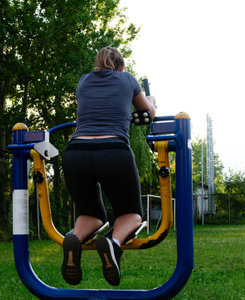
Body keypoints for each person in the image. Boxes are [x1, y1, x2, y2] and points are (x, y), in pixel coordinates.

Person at [61, 46, 157, 286]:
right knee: (131, 213)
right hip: (113, 150)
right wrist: (152, 102)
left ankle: (74, 238)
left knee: (90, 214)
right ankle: (113, 244)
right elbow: (147, 111)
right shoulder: (127, 78)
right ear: (121, 66)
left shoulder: (83, 81)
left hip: (76, 152)